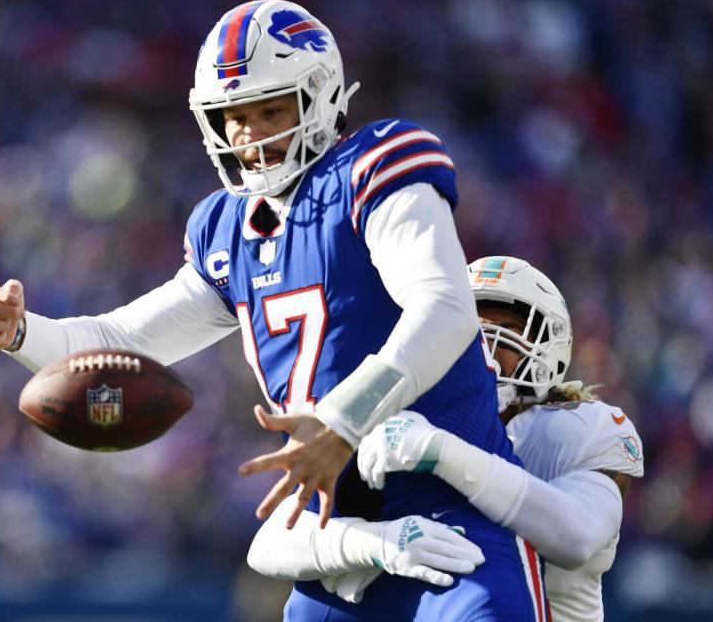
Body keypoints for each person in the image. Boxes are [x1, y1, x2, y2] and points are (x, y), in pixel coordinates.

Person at [0, 0, 544, 619]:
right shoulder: (228, 232)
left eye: (271, 109)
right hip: (340, 542)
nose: (250, 133)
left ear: (319, 100)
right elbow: (124, 341)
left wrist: (342, 422)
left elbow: (446, 307)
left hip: (456, 514)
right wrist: (22, 332)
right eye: (234, 116)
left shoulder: (373, 168)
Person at [248, 256, 645, 622]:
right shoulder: (400, 413)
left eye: (504, 331)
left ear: (548, 348)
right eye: (470, 329)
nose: (482, 347)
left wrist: (440, 452)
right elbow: (268, 545)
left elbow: (577, 537)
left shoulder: (574, 427)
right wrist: (374, 544)